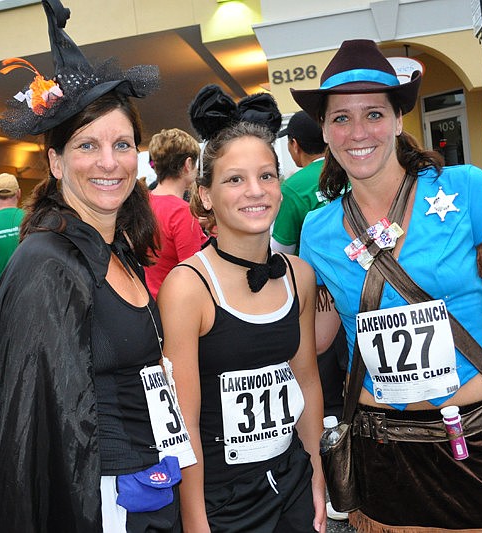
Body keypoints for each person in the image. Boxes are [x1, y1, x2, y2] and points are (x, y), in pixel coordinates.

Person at [292, 39, 482, 532]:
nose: (358, 132)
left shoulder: (466, 188)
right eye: (341, 118)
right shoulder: (317, 230)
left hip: (477, 439)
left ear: (399, 120)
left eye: (374, 114)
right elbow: (316, 340)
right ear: (326, 132)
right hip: (380, 450)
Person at [0, 2, 190, 531]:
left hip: (151, 485)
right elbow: (31, 437)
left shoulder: (119, 248)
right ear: (55, 161)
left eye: (122, 145)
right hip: (99, 503)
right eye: (87, 145)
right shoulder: (45, 265)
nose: (109, 162)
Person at [156, 84, 326, 533]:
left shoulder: (298, 276)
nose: (255, 191)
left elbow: (306, 380)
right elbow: (183, 421)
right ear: (206, 195)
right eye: (234, 179)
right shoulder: (188, 288)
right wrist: (195, 521)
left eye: (266, 176)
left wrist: (316, 477)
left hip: (292, 482)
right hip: (222, 501)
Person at [272, 110, 349, 522]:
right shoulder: (355, 169)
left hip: (317, 305)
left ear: (294, 146)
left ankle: (338, 485)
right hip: (364, 299)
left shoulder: (294, 188)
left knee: (325, 392)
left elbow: (280, 253)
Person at [144, 128, 207, 298]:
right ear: (188, 164)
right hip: (173, 302)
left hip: (148, 300)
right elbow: (192, 274)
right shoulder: (182, 212)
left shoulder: (143, 204)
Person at [271, 110, 329, 255]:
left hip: (313, 267)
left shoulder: (292, 188)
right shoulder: (350, 171)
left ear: (295, 145)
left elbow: (281, 250)